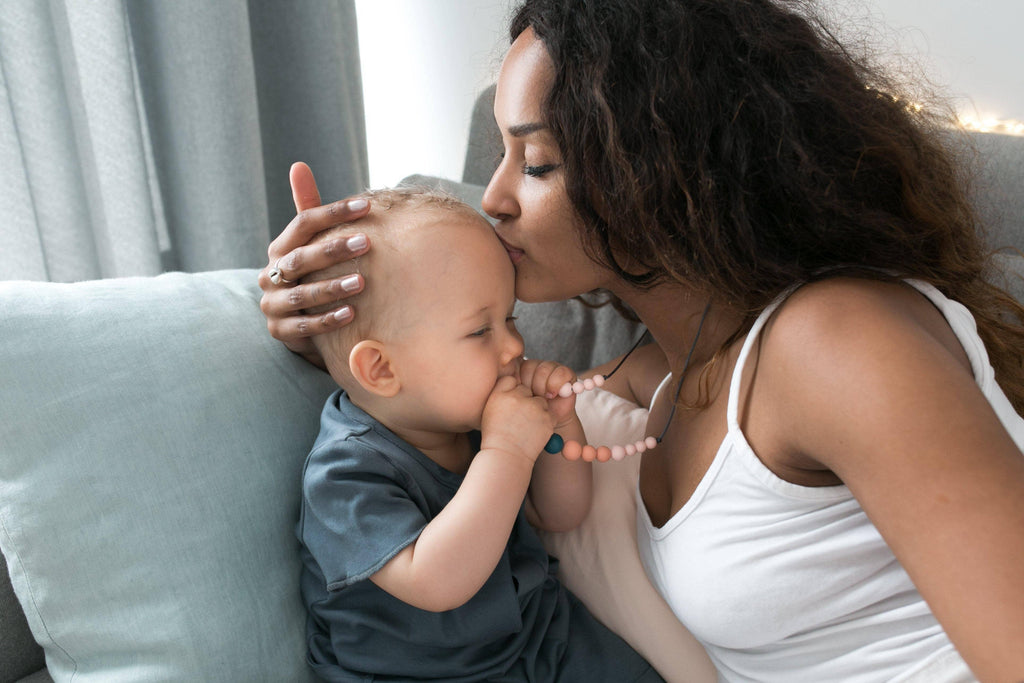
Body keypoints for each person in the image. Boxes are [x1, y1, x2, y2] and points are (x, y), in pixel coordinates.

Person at [259, 1, 1024, 680]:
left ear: (659, 168)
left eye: (536, 161)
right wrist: (335, 319)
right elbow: (448, 392)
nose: (493, 198)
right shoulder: (658, 377)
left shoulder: (835, 341)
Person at [292, 186, 665, 682]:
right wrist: (507, 451)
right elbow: (438, 581)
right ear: (381, 368)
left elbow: (561, 513)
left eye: (509, 317)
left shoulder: (468, 420)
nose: (514, 345)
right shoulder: (343, 474)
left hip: (539, 638)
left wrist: (557, 426)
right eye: (480, 331)